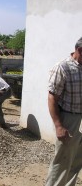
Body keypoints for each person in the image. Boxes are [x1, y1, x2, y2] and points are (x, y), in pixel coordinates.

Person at [45, 37, 82, 186]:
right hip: (68, 119)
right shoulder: (63, 67)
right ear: (79, 50)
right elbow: (52, 97)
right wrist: (59, 126)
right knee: (62, 160)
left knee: (77, 160)